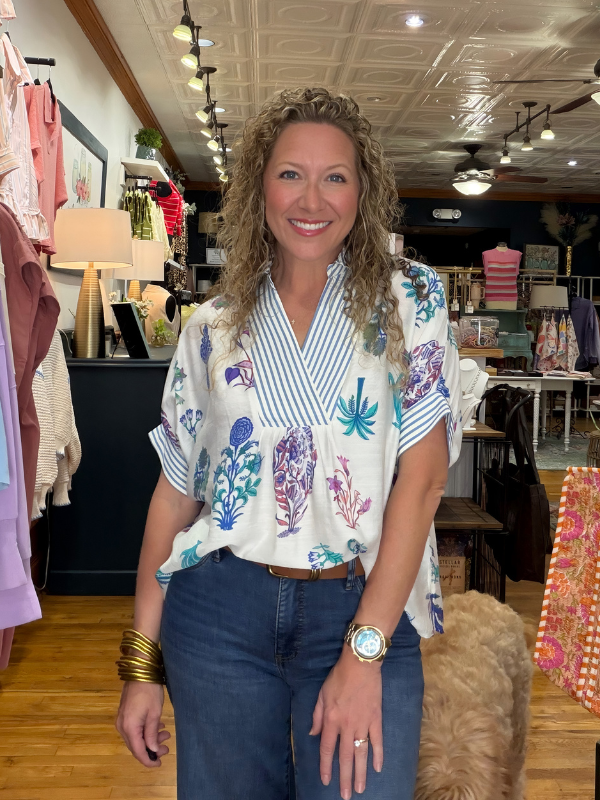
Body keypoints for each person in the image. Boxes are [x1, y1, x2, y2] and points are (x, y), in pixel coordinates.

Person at [116, 86, 461, 800]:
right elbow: (176, 493)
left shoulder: (411, 301)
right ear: (258, 189)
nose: (312, 199)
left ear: (362, 194)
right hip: (219, 616)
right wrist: (140, 666)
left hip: (363, 607)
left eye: (335, 176)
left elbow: (423, 480)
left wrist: (364, 654)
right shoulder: (212, 326)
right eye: (290, 174)